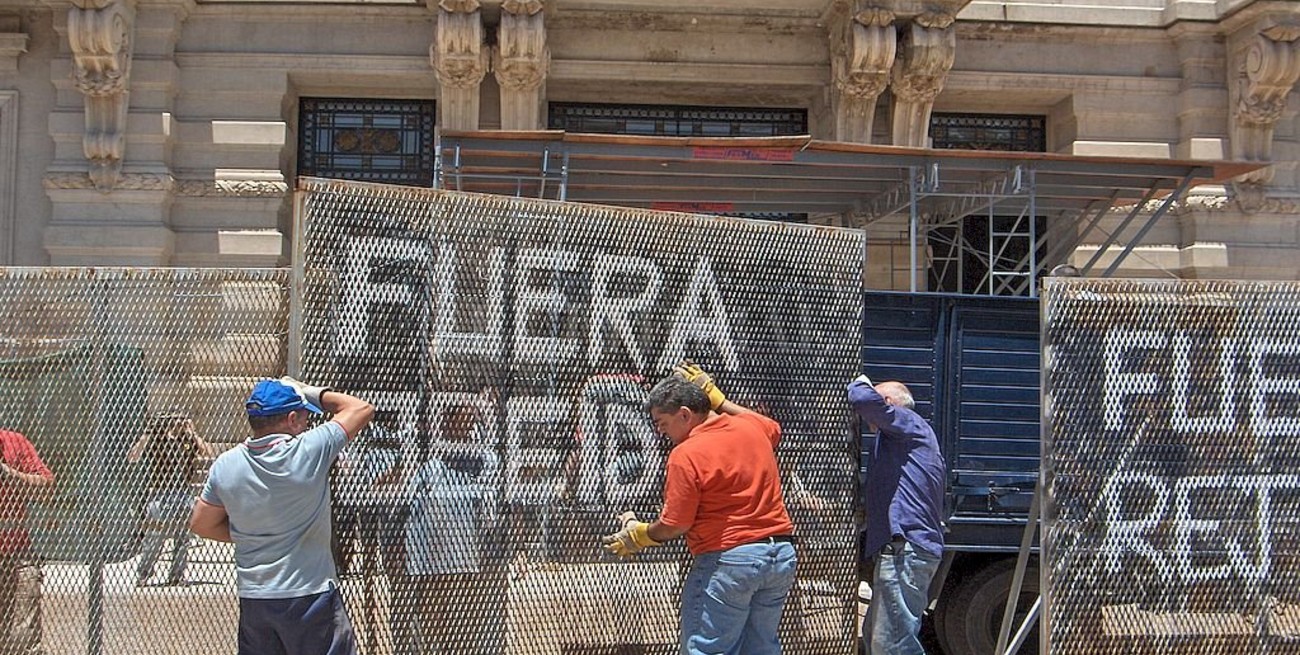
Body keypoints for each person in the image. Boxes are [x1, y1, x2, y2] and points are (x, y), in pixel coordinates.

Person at [602, 363, 797, 655]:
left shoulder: (686, 453)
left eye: (662, 422)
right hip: (780, 556)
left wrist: (639, 535)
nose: (660, 431)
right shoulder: (751, 428)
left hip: (729, 561)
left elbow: (676, 523)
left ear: (684, 414)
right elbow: (773, 428)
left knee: (708, 649)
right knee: (761, 648)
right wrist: (719, 399)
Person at [190, 377, 374, 655]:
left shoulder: (226, 464)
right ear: (291, 419)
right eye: (304, 416)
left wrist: (250, 534)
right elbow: (361, 408)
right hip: (309, 593)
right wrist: (308, 391)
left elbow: (201, 524)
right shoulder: (308, 450)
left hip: (256, 596)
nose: (307, 423)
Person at [847, 375, 945, 655]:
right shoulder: (900, 441)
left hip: (906, 550)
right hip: (905, 550)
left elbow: (862, 398)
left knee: (893, 644)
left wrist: (861, 381)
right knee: (877, 638)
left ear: (889, 402)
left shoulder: (907, 422)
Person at [127, 412, 214, 586]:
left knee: (183, 536)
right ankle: (144, 572)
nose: (177, 424)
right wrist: (148, 433)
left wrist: (193, 433)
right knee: (155, 535)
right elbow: (132, 457)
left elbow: (209, 454)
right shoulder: (157, 441)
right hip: (161, 491)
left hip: (183, 491)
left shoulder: (187, 440)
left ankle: (177, 575)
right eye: (174, 420)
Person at [0, 428, 55, 655]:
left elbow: (47, 488)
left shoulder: (14, 442)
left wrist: (9, 474)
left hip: (15, 550)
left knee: (22, 637)